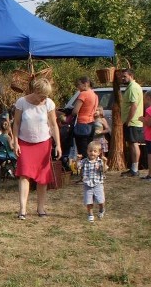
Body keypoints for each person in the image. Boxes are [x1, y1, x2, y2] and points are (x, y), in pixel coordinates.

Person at [11, 77, 62, 220]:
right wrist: (15, 142)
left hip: (43, 143)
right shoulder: (22, 102)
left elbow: (53, 125)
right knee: (24, 175)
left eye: (46, 96)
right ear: (35, 91)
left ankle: (41, 208)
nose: (44, 98)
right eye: (42, 95)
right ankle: (22, 210)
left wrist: (58, 144)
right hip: (25, 143)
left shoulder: (49, 104)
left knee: (42, 177)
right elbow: (16, 124)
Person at [119, 69, 144, 177]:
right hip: (131, 121)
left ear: (131, 76)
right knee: (131, 143)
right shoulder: (131, 87)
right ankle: (133, 168)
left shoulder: (133, 87)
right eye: (122, 76)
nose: (123, 78)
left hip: (133, 121)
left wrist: (128, 120)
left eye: (125, 76)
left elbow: (134, 105)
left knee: (134, 144)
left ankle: (135, 169)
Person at [77, 141, 108, 222]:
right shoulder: (84, 161)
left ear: (98, 153)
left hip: (98, 184)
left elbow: (104, 170)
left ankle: (101, 209)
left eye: (95, 151)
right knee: (88, 201)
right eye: (90, 151)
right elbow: (78, 167)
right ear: (87, 151)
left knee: (100, 201)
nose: (92, 153)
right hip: (87, 185)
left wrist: (105, 162)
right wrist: (78, 160)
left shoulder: (100, 161)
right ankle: (90, 214)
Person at [71, 77, 98, 159]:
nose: (78, 87)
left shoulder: (83, 94)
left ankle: (84, 169)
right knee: (90, 149)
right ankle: (91, 167)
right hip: (91, 123)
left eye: (79, 85)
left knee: (82, 150)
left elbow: (75, 111)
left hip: (82, 124)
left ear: (85, 84)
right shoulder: (94, 95)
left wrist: (70, 114)